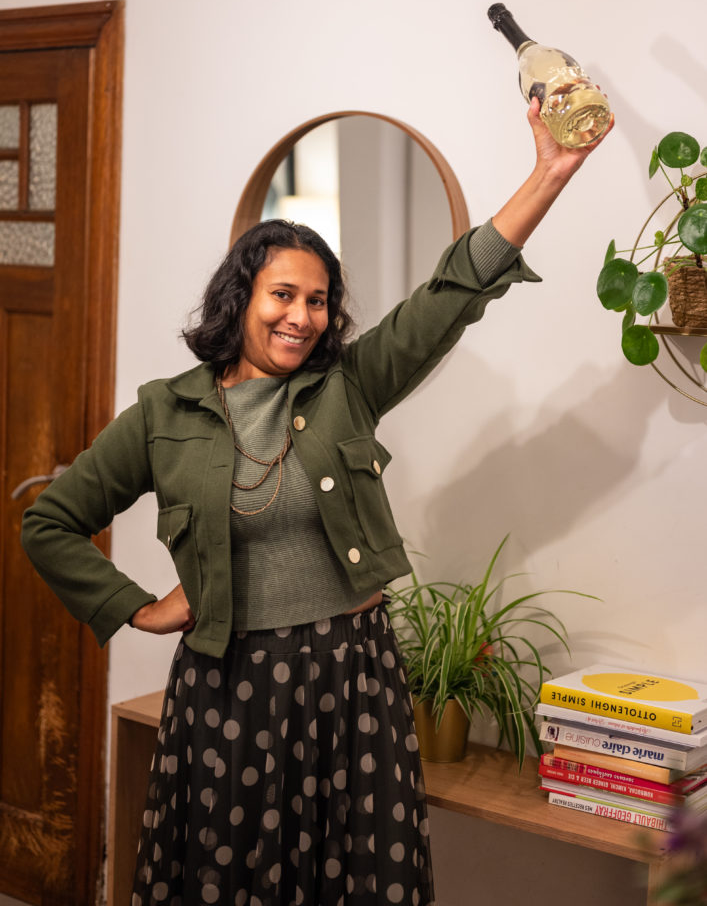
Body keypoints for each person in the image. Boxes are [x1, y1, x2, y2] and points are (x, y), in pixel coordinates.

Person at [22, 99, 611, 906]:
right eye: (282, 296)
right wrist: (136, 607)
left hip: (352, 678)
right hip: (231, 688)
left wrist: (547, 175)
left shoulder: (349, 388)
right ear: (240, 299)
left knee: (356, 880)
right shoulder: (165, 413)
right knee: (233, 880)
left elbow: (451, 292)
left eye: (319, 299)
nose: (302, 317)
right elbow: (47, 521)